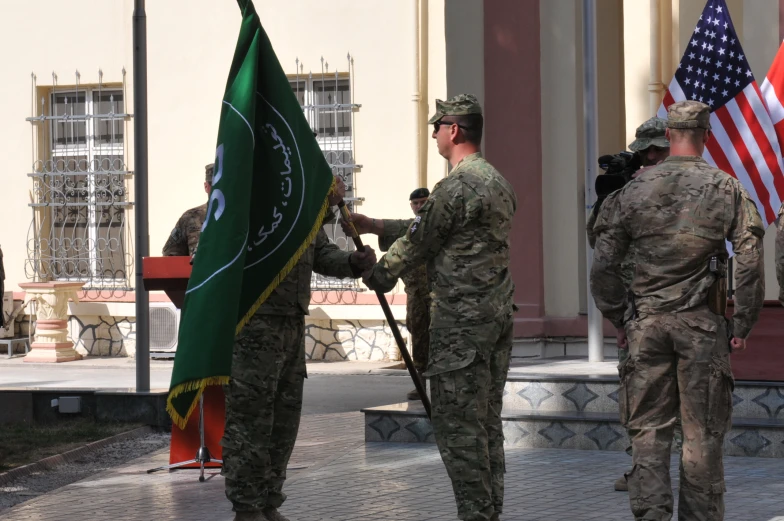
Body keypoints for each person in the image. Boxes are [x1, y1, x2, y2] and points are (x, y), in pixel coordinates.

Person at [590, 100, 765, 521]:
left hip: (645, 328)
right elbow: (751, 257)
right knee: (701, 435)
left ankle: (651, 515)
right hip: (702, 331)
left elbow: (603, 265)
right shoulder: (726, 188)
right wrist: (742, 322)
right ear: (705, 136)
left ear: (668, 137)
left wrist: (620, 317)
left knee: (648, 433)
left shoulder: (631, 191)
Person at [361, 94, 517, 521]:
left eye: (437, 125)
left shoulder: (456, 187)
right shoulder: (498, 182)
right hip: (496, 318)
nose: (432, 134)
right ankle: (488, 511)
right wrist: (375, 226)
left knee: (458, 429)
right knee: (486, 424)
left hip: (461, 326)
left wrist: (379, 274)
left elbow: (419, 240)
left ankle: (475, 514)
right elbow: (437, 229)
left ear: (455, 130)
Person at [222, 176, 377, 521]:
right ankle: (247, 508)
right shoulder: (252, 198)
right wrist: (323, 205)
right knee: (251, 420)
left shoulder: (301, 209)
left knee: (283, 420)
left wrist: (352, 263)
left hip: (291, 322)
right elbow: (278, 229)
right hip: (254, 323)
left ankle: (269, 502)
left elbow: (320, 253)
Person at [586, 116, 680, 492]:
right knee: (638, 396)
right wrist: (609, 196)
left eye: (661, 150)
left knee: (688, 400)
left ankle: (692, 468)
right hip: (638, 312)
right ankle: (642, 468)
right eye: (648, 152)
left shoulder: (686, 188)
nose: (655, 157)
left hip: (683, 309)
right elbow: (600, 244)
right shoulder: (625, 194)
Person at [340, 187, 432, 401]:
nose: (419, 207)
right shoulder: (408, 229)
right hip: (416, 296)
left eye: (424, 202)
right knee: (418, 336)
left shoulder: (433, 226)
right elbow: (400, 229)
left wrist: (372, 225)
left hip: (437, 296)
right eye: (416, 203)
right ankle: (421, 383)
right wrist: (371, 227)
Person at [162, 163, 214, 256]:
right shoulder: (191, 217)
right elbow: (171, 254)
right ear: (206, 186)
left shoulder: (242, 215)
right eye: (214, 185)